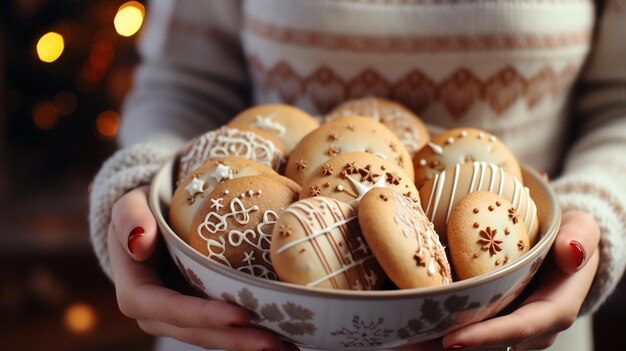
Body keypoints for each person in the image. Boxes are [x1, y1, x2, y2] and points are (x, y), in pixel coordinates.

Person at [89, 0, 626, 350]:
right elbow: (182, 81)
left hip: (515, 311)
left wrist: (591, 214)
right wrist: (142, 188)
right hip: (238, 315)